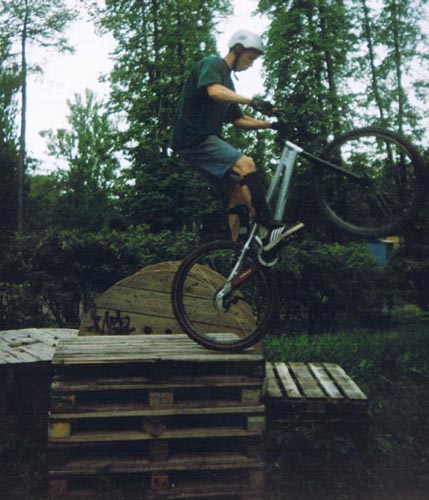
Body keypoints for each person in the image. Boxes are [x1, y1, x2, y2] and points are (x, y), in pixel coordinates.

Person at [171, 29, 288, 244]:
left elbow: (239, 120)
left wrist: (271, 124)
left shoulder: (229, 85)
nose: (251, 64)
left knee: (237, 193)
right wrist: (252, 101)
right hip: (194, 137)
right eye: (250, 58)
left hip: (198, 141)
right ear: (238, 49)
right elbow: (214, 91)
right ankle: (267, 228)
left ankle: (238, 249)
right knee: (246, 164)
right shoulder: (213, 64)